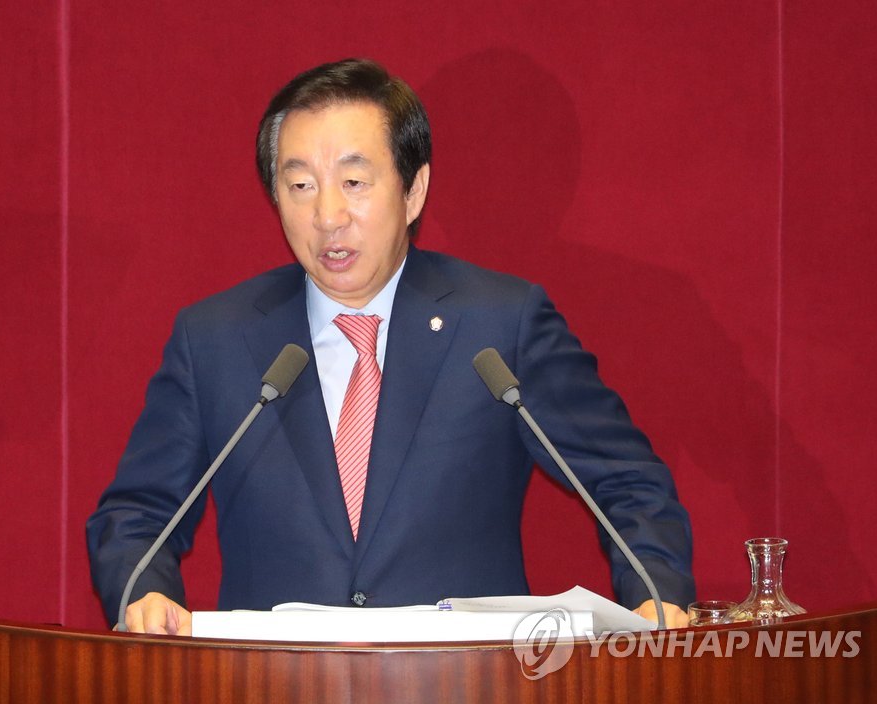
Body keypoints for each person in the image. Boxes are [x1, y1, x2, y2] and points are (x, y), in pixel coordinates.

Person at [86, 58, 695, 635]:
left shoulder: (500, 325)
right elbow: (138, 514)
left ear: (413, 190)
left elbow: (626, 481)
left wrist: (654, 594)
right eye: (300, 185)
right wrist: (144, 592)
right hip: (273, 682)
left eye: (353, 182)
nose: (328, 215)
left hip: (470, 682)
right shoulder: (215, 338)